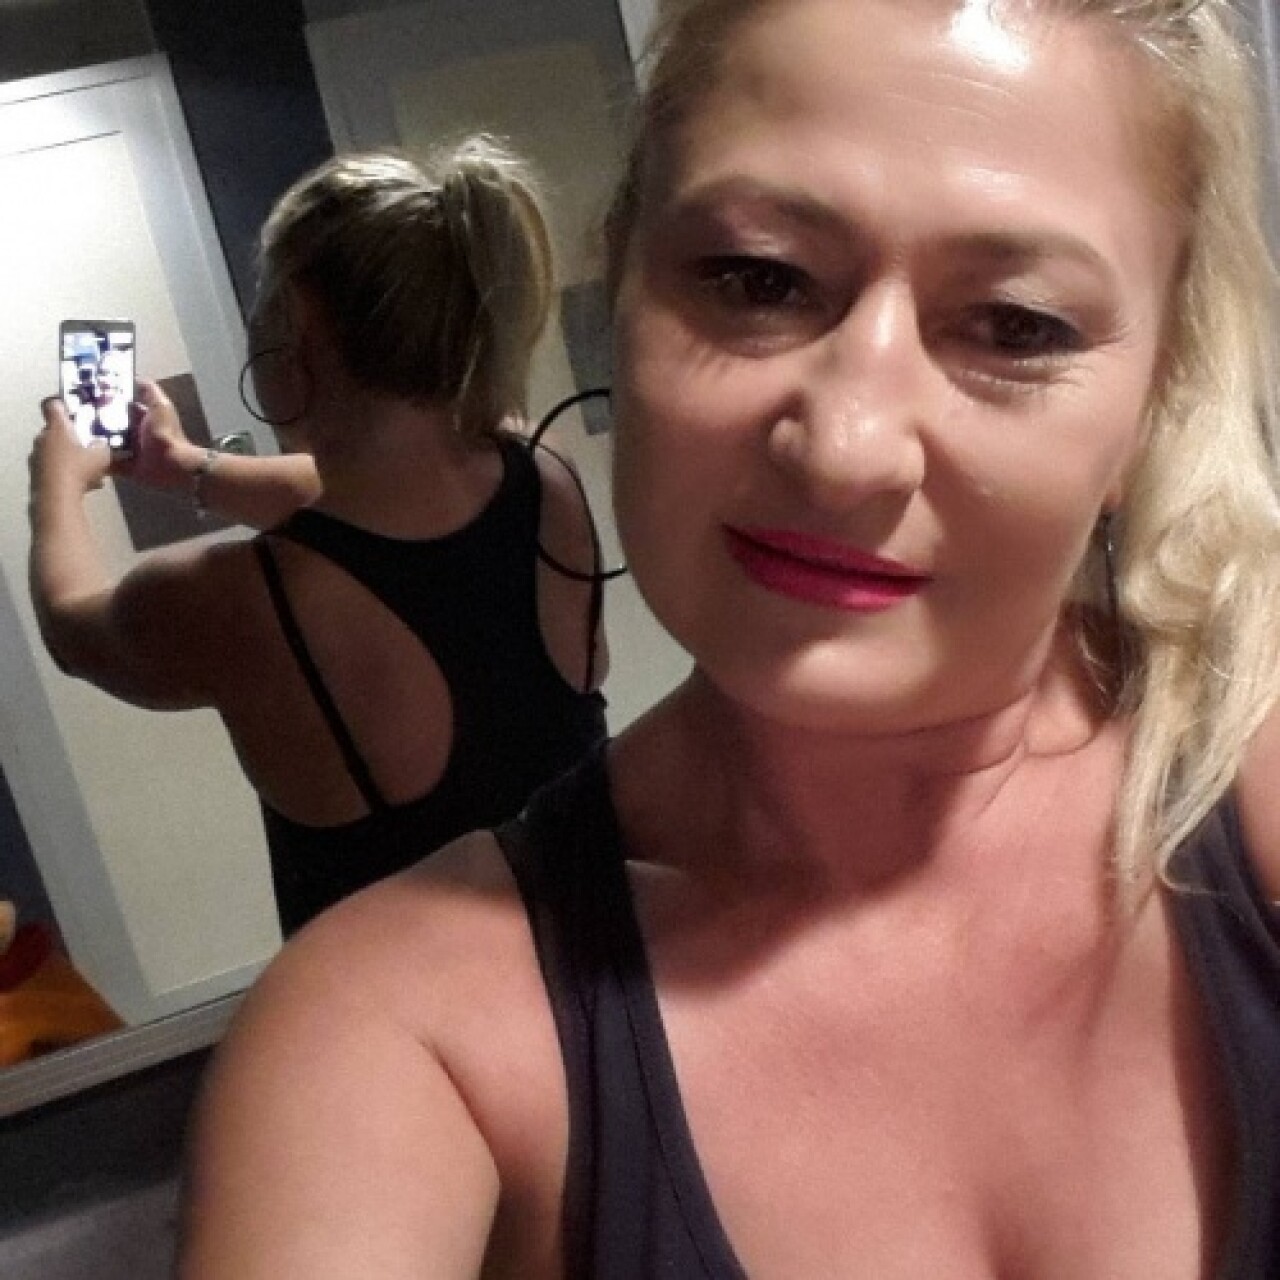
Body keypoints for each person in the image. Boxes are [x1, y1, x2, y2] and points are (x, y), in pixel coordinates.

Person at [177, 0, 1280, 1275]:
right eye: (758, 280)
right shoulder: (394, 1031)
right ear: (624, 279)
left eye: (1014, 325)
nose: (847, 448)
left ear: (1152, 398)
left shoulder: (1250, 772)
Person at [28, 136, 609, 936]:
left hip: (403, 1007)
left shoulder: (239, 600)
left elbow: (71, 625)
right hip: (594, 953)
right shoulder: (543, 471)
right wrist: (190, 469)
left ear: (296, 322)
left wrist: (55, 484)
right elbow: (382, 508)